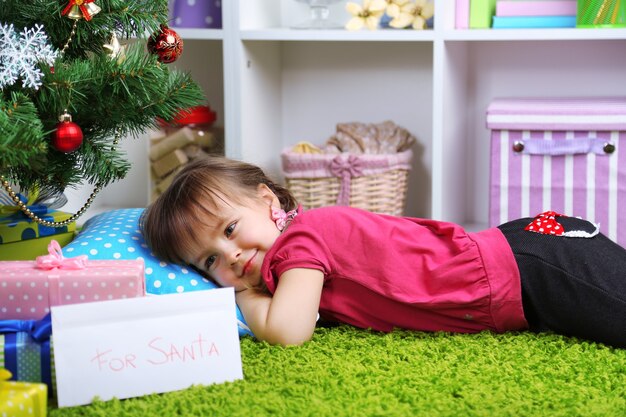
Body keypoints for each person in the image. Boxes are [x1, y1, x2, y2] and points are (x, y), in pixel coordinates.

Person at [141, 155, 626, 348]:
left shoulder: (301, 241)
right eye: (208, 261)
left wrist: (242, 298)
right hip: (522, 282)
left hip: (532, 264)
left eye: (230, 229)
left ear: (268, 202)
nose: (229, 257)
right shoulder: (293, 265)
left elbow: (289, 330)